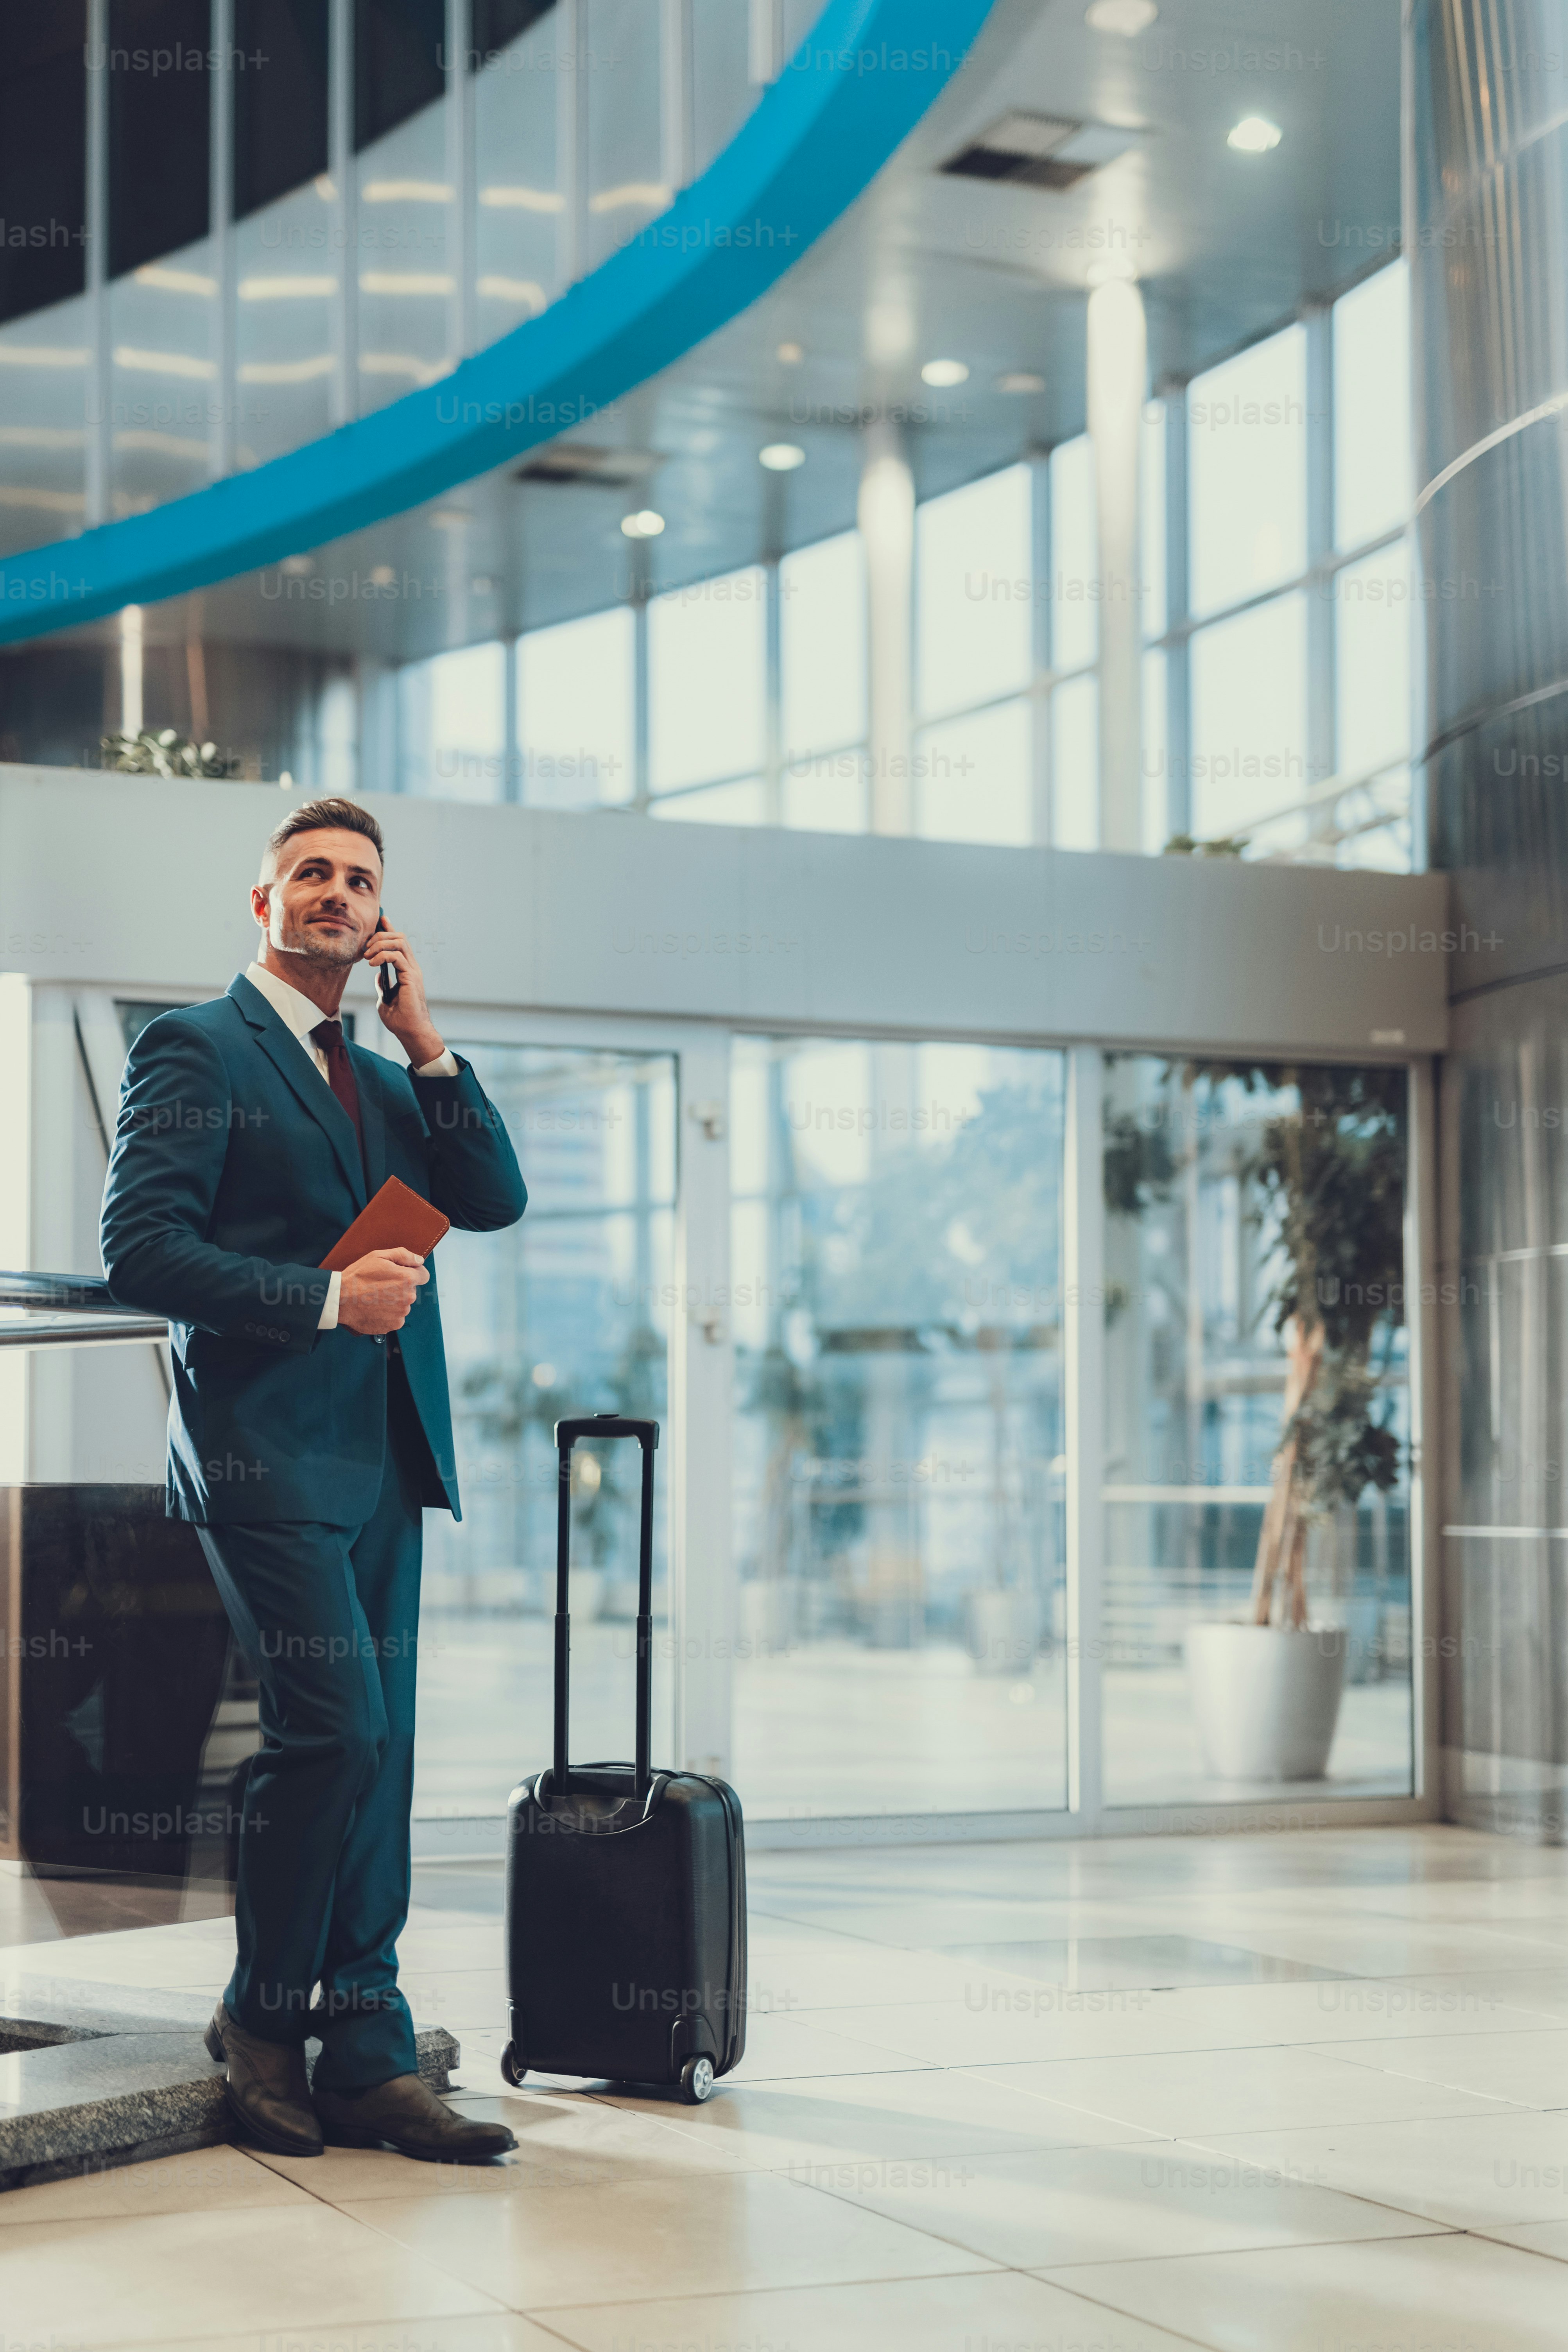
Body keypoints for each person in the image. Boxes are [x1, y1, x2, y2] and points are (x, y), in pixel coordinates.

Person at [100, 796, 527, 2164]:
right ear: (263, 903)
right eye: (311, 875)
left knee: (382, 1750)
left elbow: (496, 1195)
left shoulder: (393, 1074)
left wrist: (427, 1039)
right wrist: (326, 1299)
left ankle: (370, 2048)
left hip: (386, 1454)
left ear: (379, 919)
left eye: (358, 879)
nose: (335, 893)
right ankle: (263, 2022)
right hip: (262, 1450)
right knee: (329, 1731)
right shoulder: (195, 1045)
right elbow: (142, 1253)